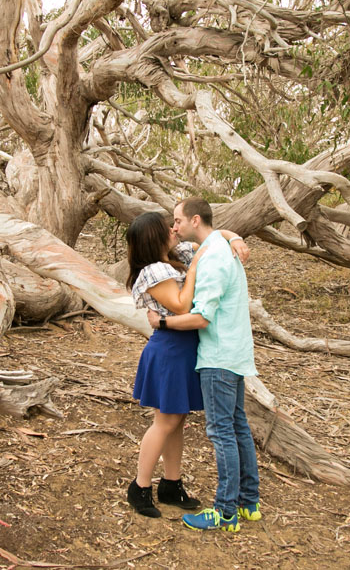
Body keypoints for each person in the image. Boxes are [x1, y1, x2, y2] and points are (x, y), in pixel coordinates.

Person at [147, 196, 261, 533]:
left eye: (178, 220)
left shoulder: (211, 259)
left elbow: (201, 318)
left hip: (218, 356)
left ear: (195, 220)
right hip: (235, 351)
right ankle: (248, 503)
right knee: (237, 426)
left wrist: (162, 323)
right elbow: (219, 233)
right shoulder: (219, 247)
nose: (174, 227)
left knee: (222, 432)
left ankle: (225, 512)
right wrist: (234, 235)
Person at [124, 211, 249, 518]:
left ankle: (171, 484)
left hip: (186, 348)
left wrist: (235, 237)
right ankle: (140, 487)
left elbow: (213, 237)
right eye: (167, 228)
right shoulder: (153, 271)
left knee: (177, 421)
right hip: (169, 350)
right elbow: (180, 305)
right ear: (155, 237)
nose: (174, 230)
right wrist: (194, 269)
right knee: (165, 422)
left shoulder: (175, 255)